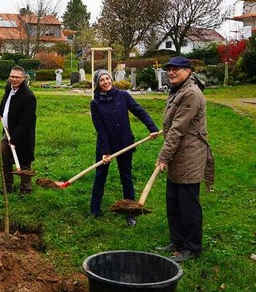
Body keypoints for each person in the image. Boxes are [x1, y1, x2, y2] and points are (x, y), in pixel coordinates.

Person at [154, 56, 213, 262]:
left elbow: (178, 130)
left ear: (188, 71)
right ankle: (177, 242)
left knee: (188, 205)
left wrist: (163, 156)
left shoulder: (191, 94)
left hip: (189, 154)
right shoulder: (178, 90)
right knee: (174, 202)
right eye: (169, 69)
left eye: (176, 69)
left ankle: (192, 248)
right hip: (178, 154)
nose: (171, 72)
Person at [90, 69, 159, 226]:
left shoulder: (123, 96)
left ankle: (130, 212)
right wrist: (105, 151)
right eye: (102, 80)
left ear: (111, 80)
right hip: (105, 145)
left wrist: (152, 127)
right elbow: (100, 128)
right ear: (98, 83)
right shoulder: (95, 103)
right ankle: (94, 210)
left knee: (126, 177)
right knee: (100, 177)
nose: (106, 82)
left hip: (125, 144)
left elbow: (139, 111)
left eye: (107, 78)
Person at [0, 66, 37, 195]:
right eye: (12, 76)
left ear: (24, 78)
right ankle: (7, 187)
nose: (14, 79)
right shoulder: (9, 87)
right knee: (5, 159)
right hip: (8, 130)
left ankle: (26, 189)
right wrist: (0, 112)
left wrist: (15, 139)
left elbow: (26, 121)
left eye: (17, 77)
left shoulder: (28, 96)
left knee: (24, 161)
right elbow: (5, 100)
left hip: (23, 135)